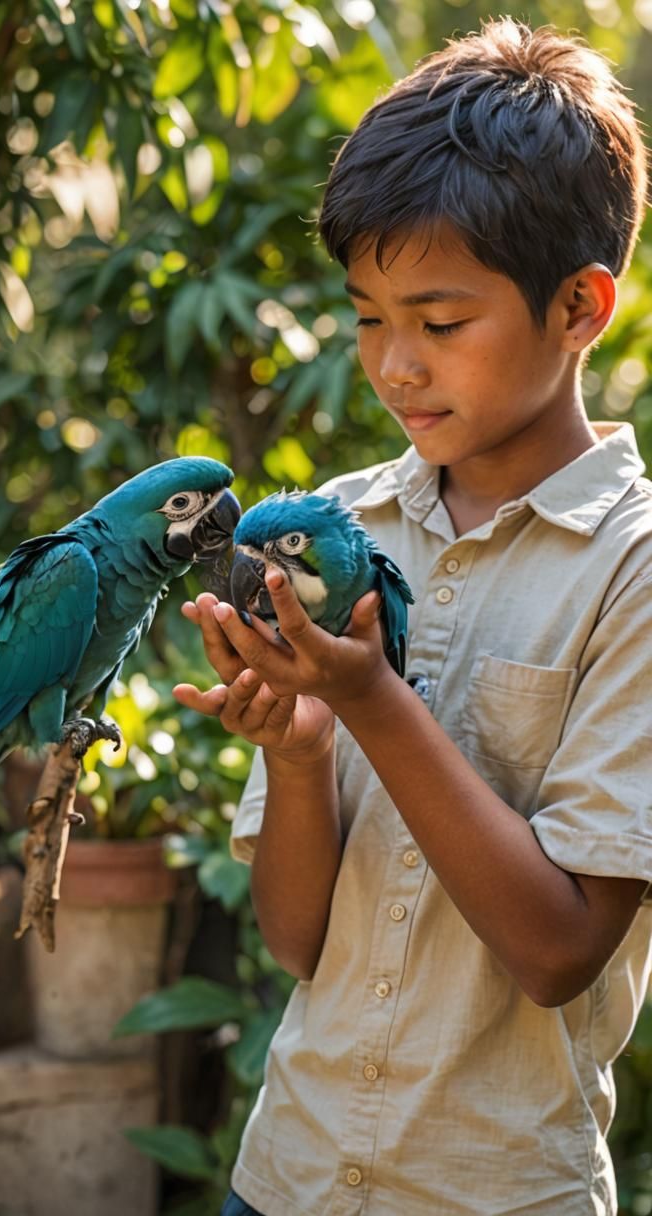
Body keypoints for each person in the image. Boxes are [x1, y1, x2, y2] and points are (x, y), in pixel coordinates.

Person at [173, 17, 651, 1216]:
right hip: (284, 1174)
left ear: (580, 307)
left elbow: (555, 954)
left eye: (438, 324)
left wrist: (370, 700)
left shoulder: (629, 568)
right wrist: (300, 750)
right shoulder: (337, 525)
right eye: (367, 316)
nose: (393, 366)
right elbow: (297, 944)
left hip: (496, 1190)